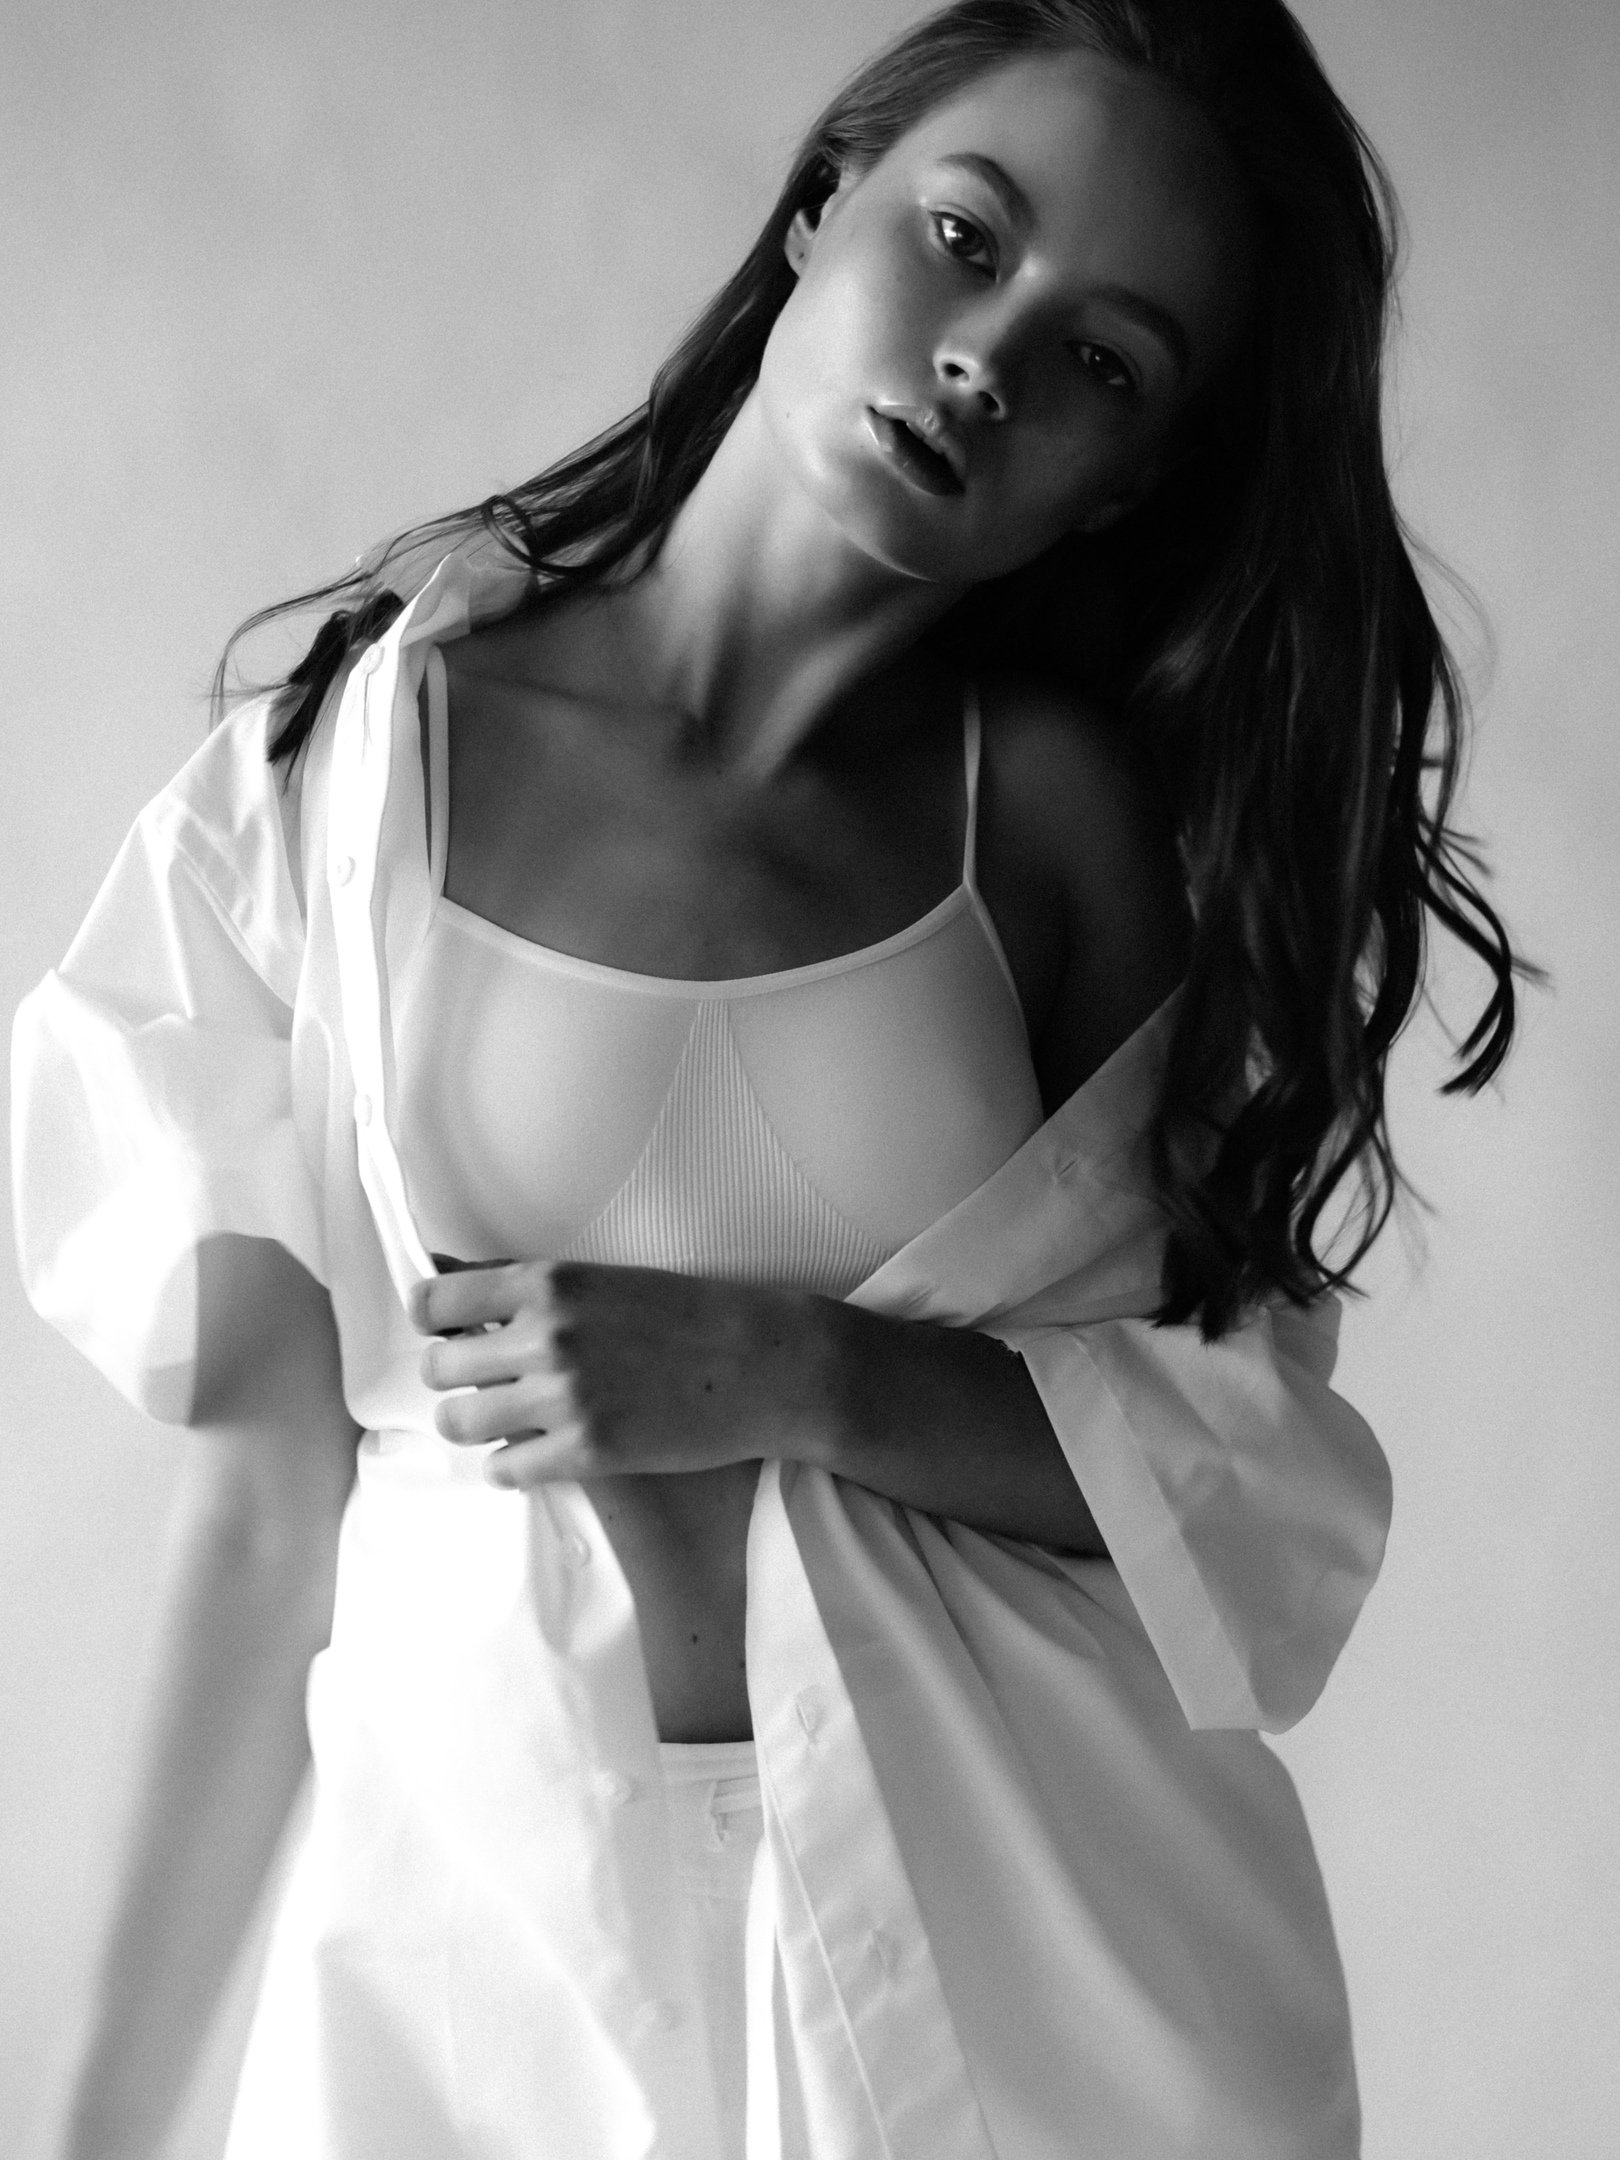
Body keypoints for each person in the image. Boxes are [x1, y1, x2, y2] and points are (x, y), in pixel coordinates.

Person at [12, 2, 1527, 2156]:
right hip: (486, 1970)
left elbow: (1240, 1473)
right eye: (965, 237)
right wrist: (88, 2127)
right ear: (824, 202)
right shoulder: (344, 777)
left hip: (1006, 1970)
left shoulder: (1066, 837)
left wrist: (803, 1373)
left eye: (1104, 362)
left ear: (1136, 475)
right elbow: (261, 1527)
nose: (988, 359)